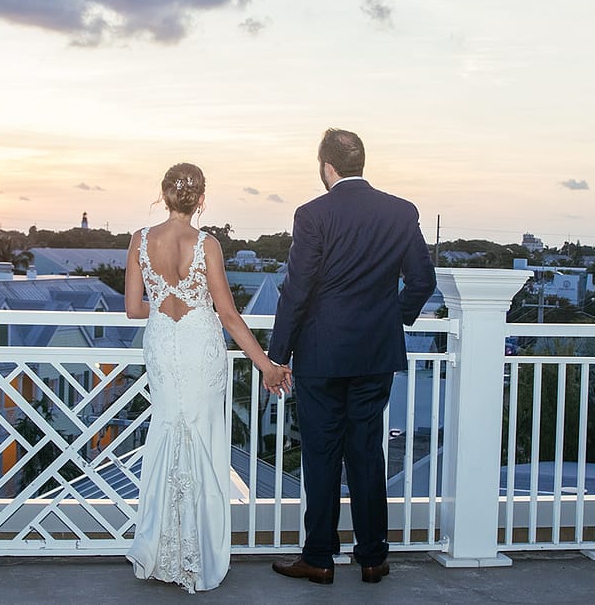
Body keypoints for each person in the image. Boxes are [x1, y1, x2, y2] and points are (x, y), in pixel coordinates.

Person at [268, 129, 436, 584]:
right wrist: (389, 319)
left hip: (321, 355)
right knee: (365, 454)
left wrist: (276, 356)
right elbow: (422, 282)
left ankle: (320, 558)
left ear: (327, 166)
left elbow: (297, 289)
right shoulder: (400, 212)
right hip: (375, 355)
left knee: (322, 455)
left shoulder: (312, 214)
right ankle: (373, 558)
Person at [124, 163, 292, 593]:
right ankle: (198, 552)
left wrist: (164, 305)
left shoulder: (140, 241)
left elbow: (132, 308)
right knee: (201, 436)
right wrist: (267, 365)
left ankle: (160, 551)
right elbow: (229, 316)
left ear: (163, 195)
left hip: (163, 343)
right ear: (201, 199)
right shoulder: (207, 244)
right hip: (200, 345)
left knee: (166, 432)